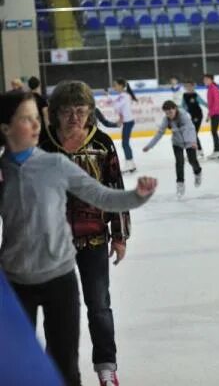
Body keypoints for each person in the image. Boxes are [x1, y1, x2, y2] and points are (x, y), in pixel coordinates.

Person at [0, 90, 157, 386]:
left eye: (36, 118)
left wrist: (130, 210)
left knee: (83, 331)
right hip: (16, 277)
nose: (35, 125)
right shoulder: (14, 165)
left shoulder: (68, 157)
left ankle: (106, 366)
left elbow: (104, 193)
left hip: (74, 260)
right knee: (19, 362)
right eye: (26, 119)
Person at [38, 80, 131, 386]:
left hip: (93, 240)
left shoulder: (102, 144)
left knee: (99, 306)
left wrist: (119, 235)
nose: (74, 117)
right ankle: (57, 370)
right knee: (59, 311)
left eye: (81, 110)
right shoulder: (42, 144)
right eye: (67, 111)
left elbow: (115, 189)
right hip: (53, 243)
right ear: (55, 114)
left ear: (90, 112)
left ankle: (106, 367)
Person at [143, 100, 202, 198]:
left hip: (189, 141)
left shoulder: (183, 116)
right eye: (166, 113)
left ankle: (198, 172)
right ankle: (180, 184)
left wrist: (193, 142)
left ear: (175, 109)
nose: (169, 115)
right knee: (179, 162)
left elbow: (191, 128)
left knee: (192, 160)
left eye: (170, 112)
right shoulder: (166, 119)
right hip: (177, 142)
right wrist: (149, 146)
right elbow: (160, 133)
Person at [106, 78, 137, 173]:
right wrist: (108, 96)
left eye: (115, 85)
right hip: (127, 122)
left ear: (121, 85)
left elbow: (116, 106)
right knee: (125, 143)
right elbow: (118, 108)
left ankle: (130, 164)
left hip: (129, 122)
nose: (114, 87)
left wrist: (110, 99)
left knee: (125, 144)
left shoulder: (124, 96)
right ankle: (131, 164)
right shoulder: (122, 96)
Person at [181, 80, 204, 158]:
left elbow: (203, 103)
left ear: (193, 86)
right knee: (192, 133)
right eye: (186, 86)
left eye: (189, 86)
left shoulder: (195, 95)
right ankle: (199, 150)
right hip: (192, 116)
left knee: (193, 133)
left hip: (198, 115)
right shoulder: (184, 95)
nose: (188, 88)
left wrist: (211, 110)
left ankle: (198, 150)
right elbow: (183, 105)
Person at [204, 74, 219, 160]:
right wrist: (209, 114)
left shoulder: (213, 88)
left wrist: (211, 114)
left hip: (217, 112)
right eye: (204, 79)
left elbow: (216, 103)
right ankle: (217, 151)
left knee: (214, 131)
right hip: (214, 113)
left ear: (211, 80)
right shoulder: (210, 88)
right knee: (214, 131)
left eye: (206, 79)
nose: (205, 81)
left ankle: (217, 151)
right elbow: (211, 104)